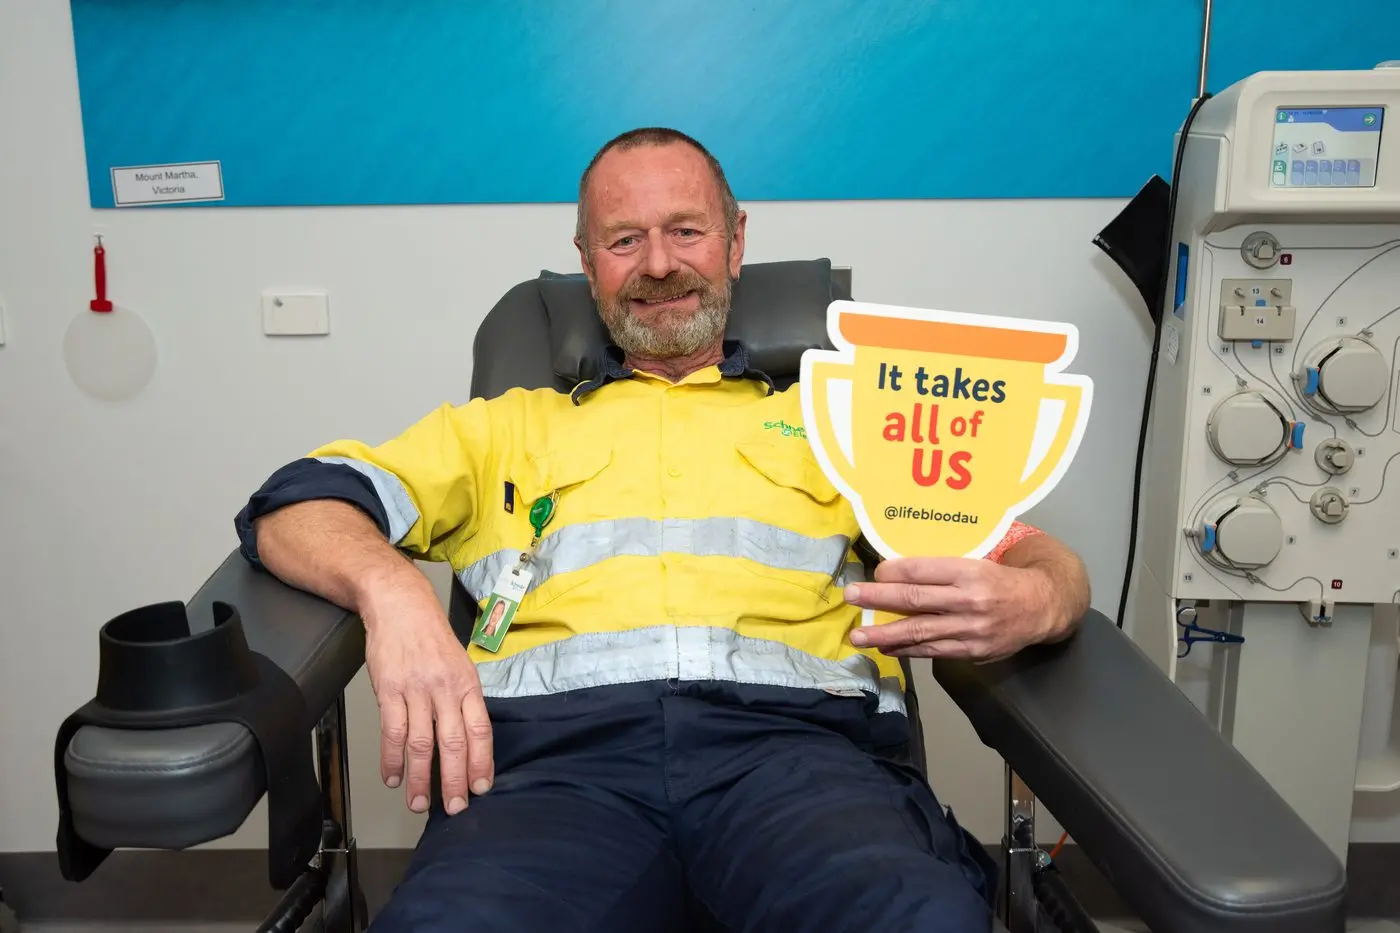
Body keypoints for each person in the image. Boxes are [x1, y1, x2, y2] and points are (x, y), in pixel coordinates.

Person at [235, 127, 1092, 933]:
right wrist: (392, 592)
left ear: (734, 241)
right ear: (586, 262)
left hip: (801, 765)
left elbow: (1027, 553)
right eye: (623, 241)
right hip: (552, 776)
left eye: (686, 230)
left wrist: (1038, 596)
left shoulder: (847, 421)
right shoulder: (501, 426)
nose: (658, 265)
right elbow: (296, 504)